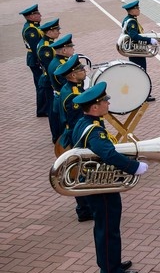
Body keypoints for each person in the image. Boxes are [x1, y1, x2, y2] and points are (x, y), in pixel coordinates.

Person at [71, 81, 147, 273]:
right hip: (100, 187)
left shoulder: (85, 122)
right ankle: (110, 269)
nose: (108, 103)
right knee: (107, 228)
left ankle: (111, 262)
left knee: (107, 227)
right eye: (105, 101)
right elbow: (109, 154)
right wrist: (134, 166)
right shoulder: (94, 131)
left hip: (98, 183)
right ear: (95, 107)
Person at [54, 54, 93, 222]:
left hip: (72, 133)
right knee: (81, 172)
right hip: (77, 137)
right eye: (80, 69)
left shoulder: (70, 88)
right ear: (72, 75)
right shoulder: (73, 96)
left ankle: (85, 208)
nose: (83, 70)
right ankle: (84, 209)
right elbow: (79, 121)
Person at [121, 0, 157, 101]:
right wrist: (149, 40)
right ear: (132, 10)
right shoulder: (132, 21)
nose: (139, 10)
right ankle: (143, 95)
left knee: (138, 72)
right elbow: (134, 36)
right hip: (136, 51)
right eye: (137, 8)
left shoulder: (128, 19)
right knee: (141, 72)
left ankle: (142, 93)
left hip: (134, 50)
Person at [49, 33, 76, 143]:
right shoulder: (62, 66)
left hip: (59, 96)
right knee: (64, 132)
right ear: (64, 50)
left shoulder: (57, 61)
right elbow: (68, 82)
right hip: (63, 98)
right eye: (71, 47)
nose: (73, 49)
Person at [37, 18, 62, 138]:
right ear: (49, 32)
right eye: (56, 30)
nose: (59, 32)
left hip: (49, 81)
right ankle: (56, 136)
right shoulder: (46, 47)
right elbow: (50, 68)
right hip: (49, 82)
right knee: (53, 110)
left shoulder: (49, 43)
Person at [21, 4, 45, 116]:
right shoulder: (31, 29)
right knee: (41, 84)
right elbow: (36, 48)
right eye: (36, 13)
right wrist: (41, 61)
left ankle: (43, 108)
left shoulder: (34, 26)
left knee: (41, 83)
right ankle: (42, 110)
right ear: (30, 17)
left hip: (35, 59)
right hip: (35, 59)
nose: (40, 15)